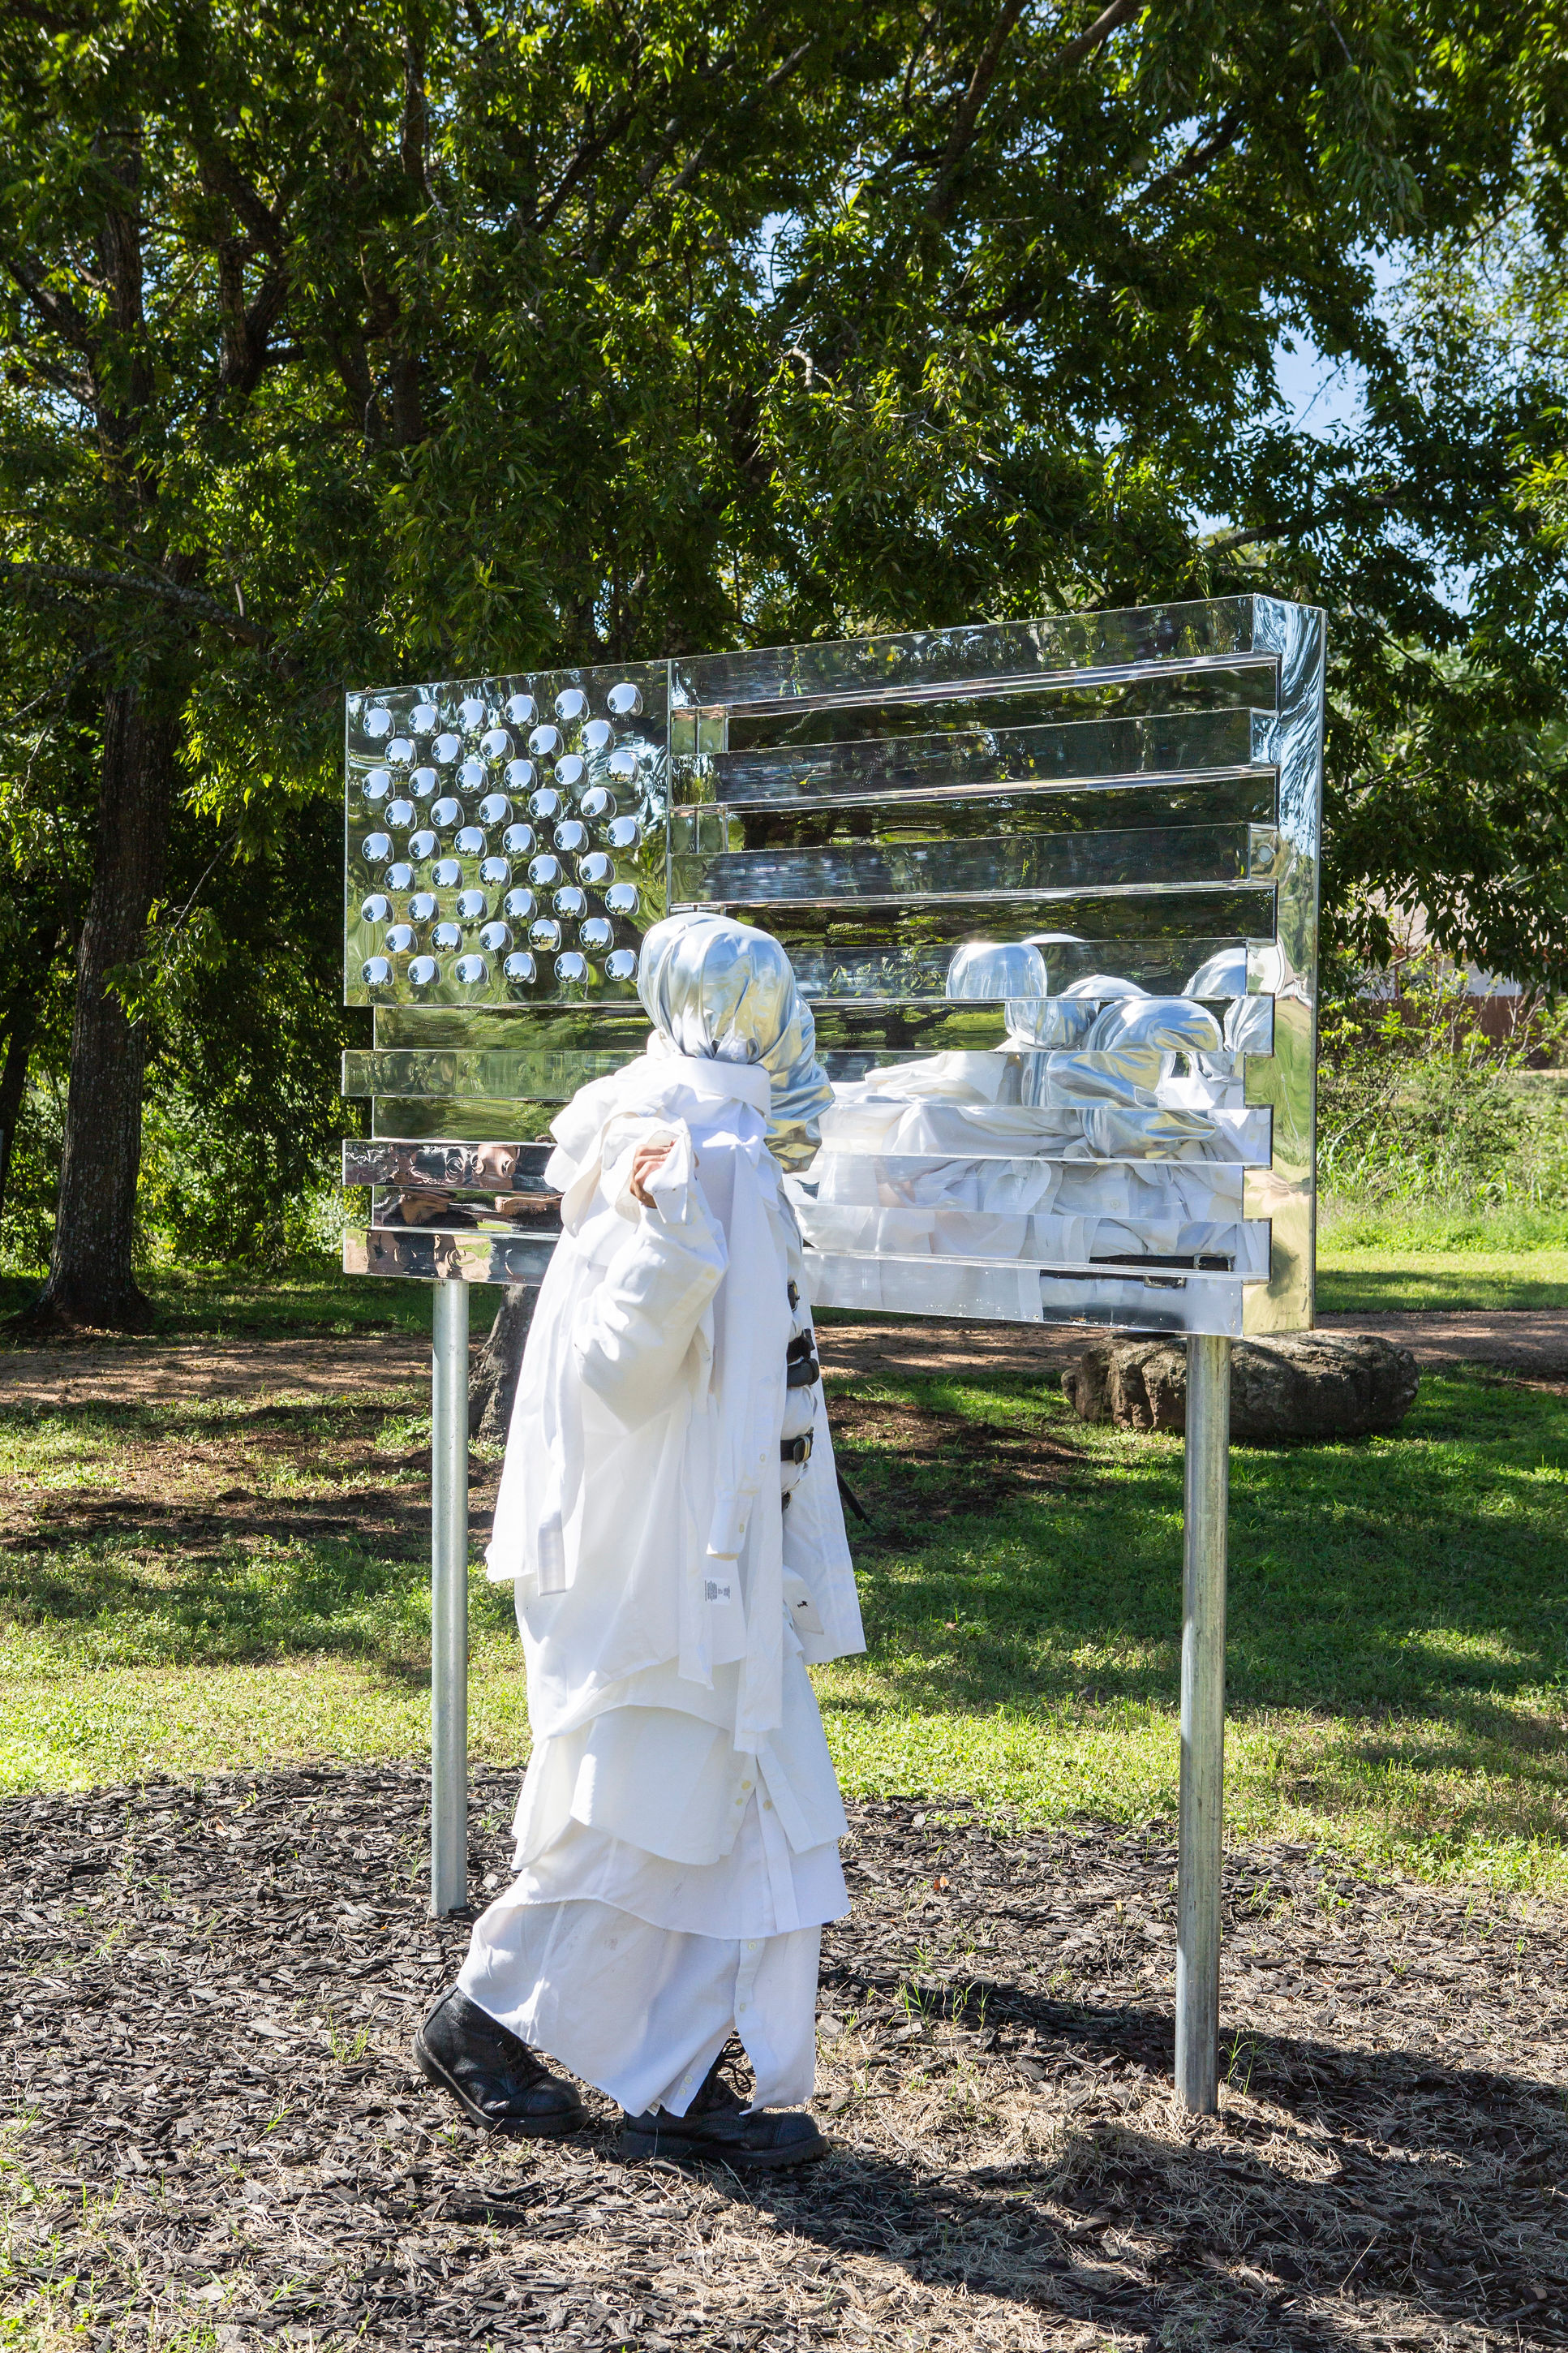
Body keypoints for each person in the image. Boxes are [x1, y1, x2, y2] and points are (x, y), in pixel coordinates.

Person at [415, 912, 864, 2168]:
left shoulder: (722, 1137)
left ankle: (669, 2073)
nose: (769, 1008)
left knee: (739, 1804)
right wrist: (666, 1230)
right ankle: (480, 2017)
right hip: (651, 1554)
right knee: (639, 1803)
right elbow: (617, 1367)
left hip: (711, 1545)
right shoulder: (665, 1138)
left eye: (773, 982)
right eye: (745, 987)